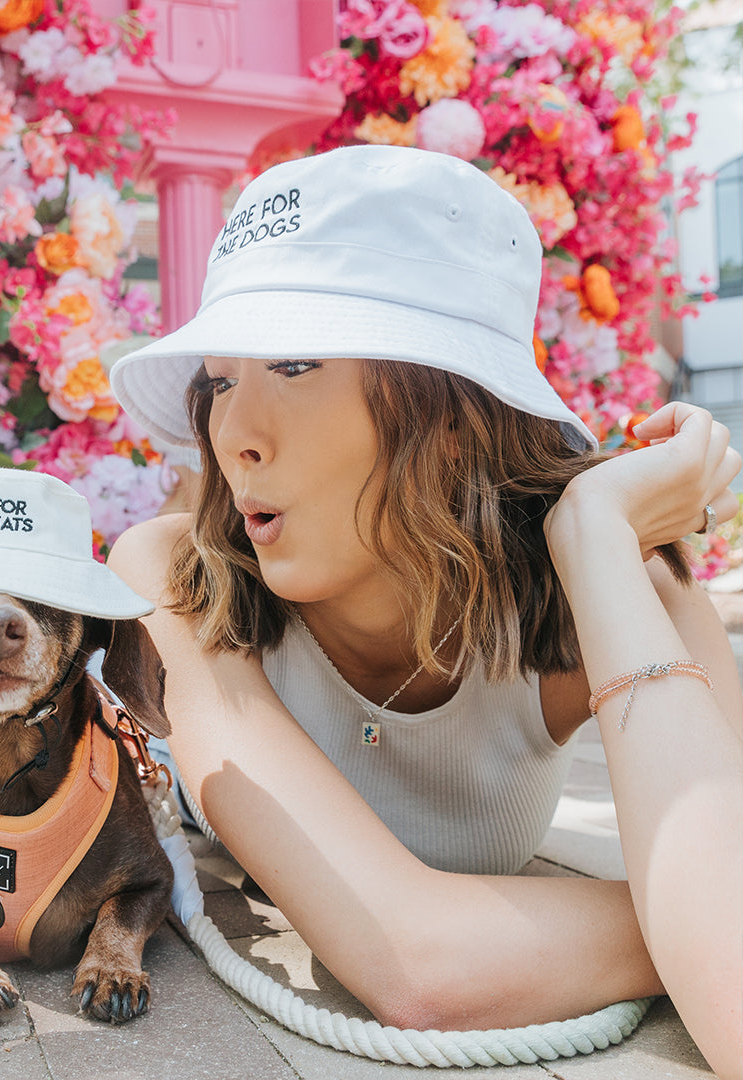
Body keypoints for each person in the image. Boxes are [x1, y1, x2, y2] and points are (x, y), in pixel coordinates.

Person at [106, 145, 743, 1077]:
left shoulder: (611, 580)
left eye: (291, 364)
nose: (231, 435)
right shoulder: (176, 574)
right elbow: (421, 971)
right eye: (218, 381)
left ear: (451, 410)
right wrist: (699, 905)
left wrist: (597, 537)